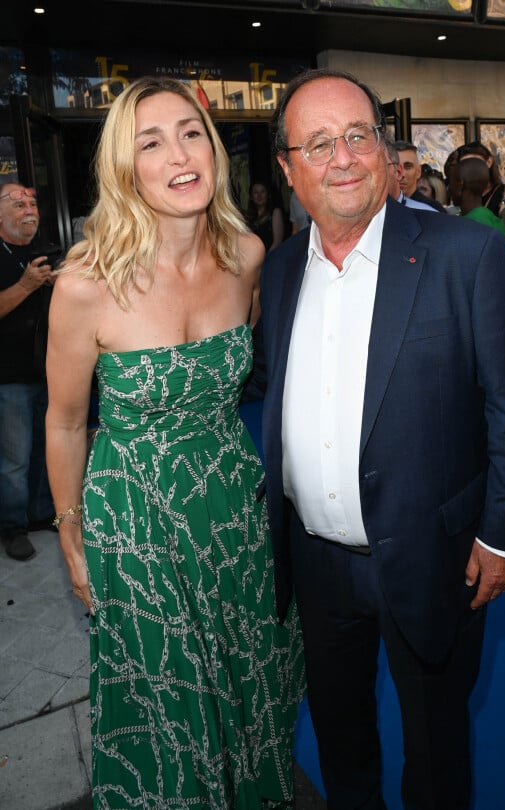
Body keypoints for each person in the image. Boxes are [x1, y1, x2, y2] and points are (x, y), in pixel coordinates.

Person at [248, 67, 505, 810]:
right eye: (317, 144)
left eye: (357, 136)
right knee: (343, 743)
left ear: (385, 152)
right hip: (316, 565)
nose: (342, 157)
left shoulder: (464, 256)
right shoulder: (281, 270)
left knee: (436, 751)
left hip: (433, 555)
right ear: (288, 169)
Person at [45, 75, 304, 808]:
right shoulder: (86, 282)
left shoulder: (248, 256)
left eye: (192, 132)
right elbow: (64, 421)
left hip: (234, 510)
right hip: (135, 520)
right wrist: (71, 533)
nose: (179, 154)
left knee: (249, 682)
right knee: (167, 710)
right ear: (125, 168)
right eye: (150, 142)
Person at [0, 183, 56, 561]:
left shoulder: (44, 250)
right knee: (15, 459)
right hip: (10, 377)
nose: (29, 208)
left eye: (32, 202)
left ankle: (39, 515)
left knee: (44, 449)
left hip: (48, 371)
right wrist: (25, 285)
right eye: (18, 203)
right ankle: (12, 527)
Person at [449, 156, 505, 235]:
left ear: (460, 185)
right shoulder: (490, 217)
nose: (449, 189)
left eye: (451, 183)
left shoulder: (469, 226)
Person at [247, 180, 285, 251]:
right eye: (256, 192)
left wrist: (265, 259)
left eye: (262, 192)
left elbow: (277, 242)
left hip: (272, 257)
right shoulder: (248, 216)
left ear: (267, 195)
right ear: (251, 197)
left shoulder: (275, 212)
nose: (259, 195)